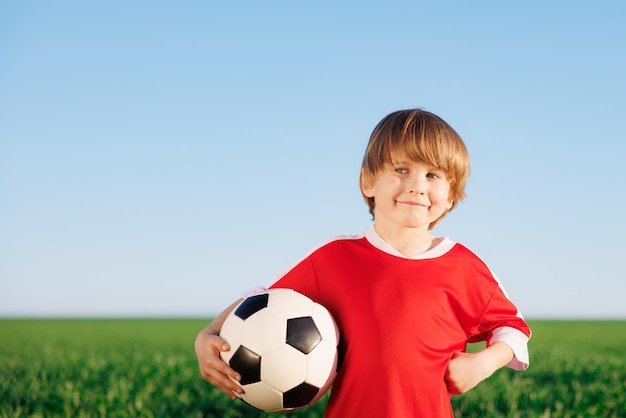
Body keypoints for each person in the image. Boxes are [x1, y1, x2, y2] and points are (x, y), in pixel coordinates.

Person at [195, 108, 531, 417]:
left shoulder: (463, 267)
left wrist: (484, 364)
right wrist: (208, 335)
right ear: (368, 181)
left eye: (433, 175)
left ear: (452, 196)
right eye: (401, 169)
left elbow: (513, 327)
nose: (416, 186)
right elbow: (263, 299)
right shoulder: (334, 257)